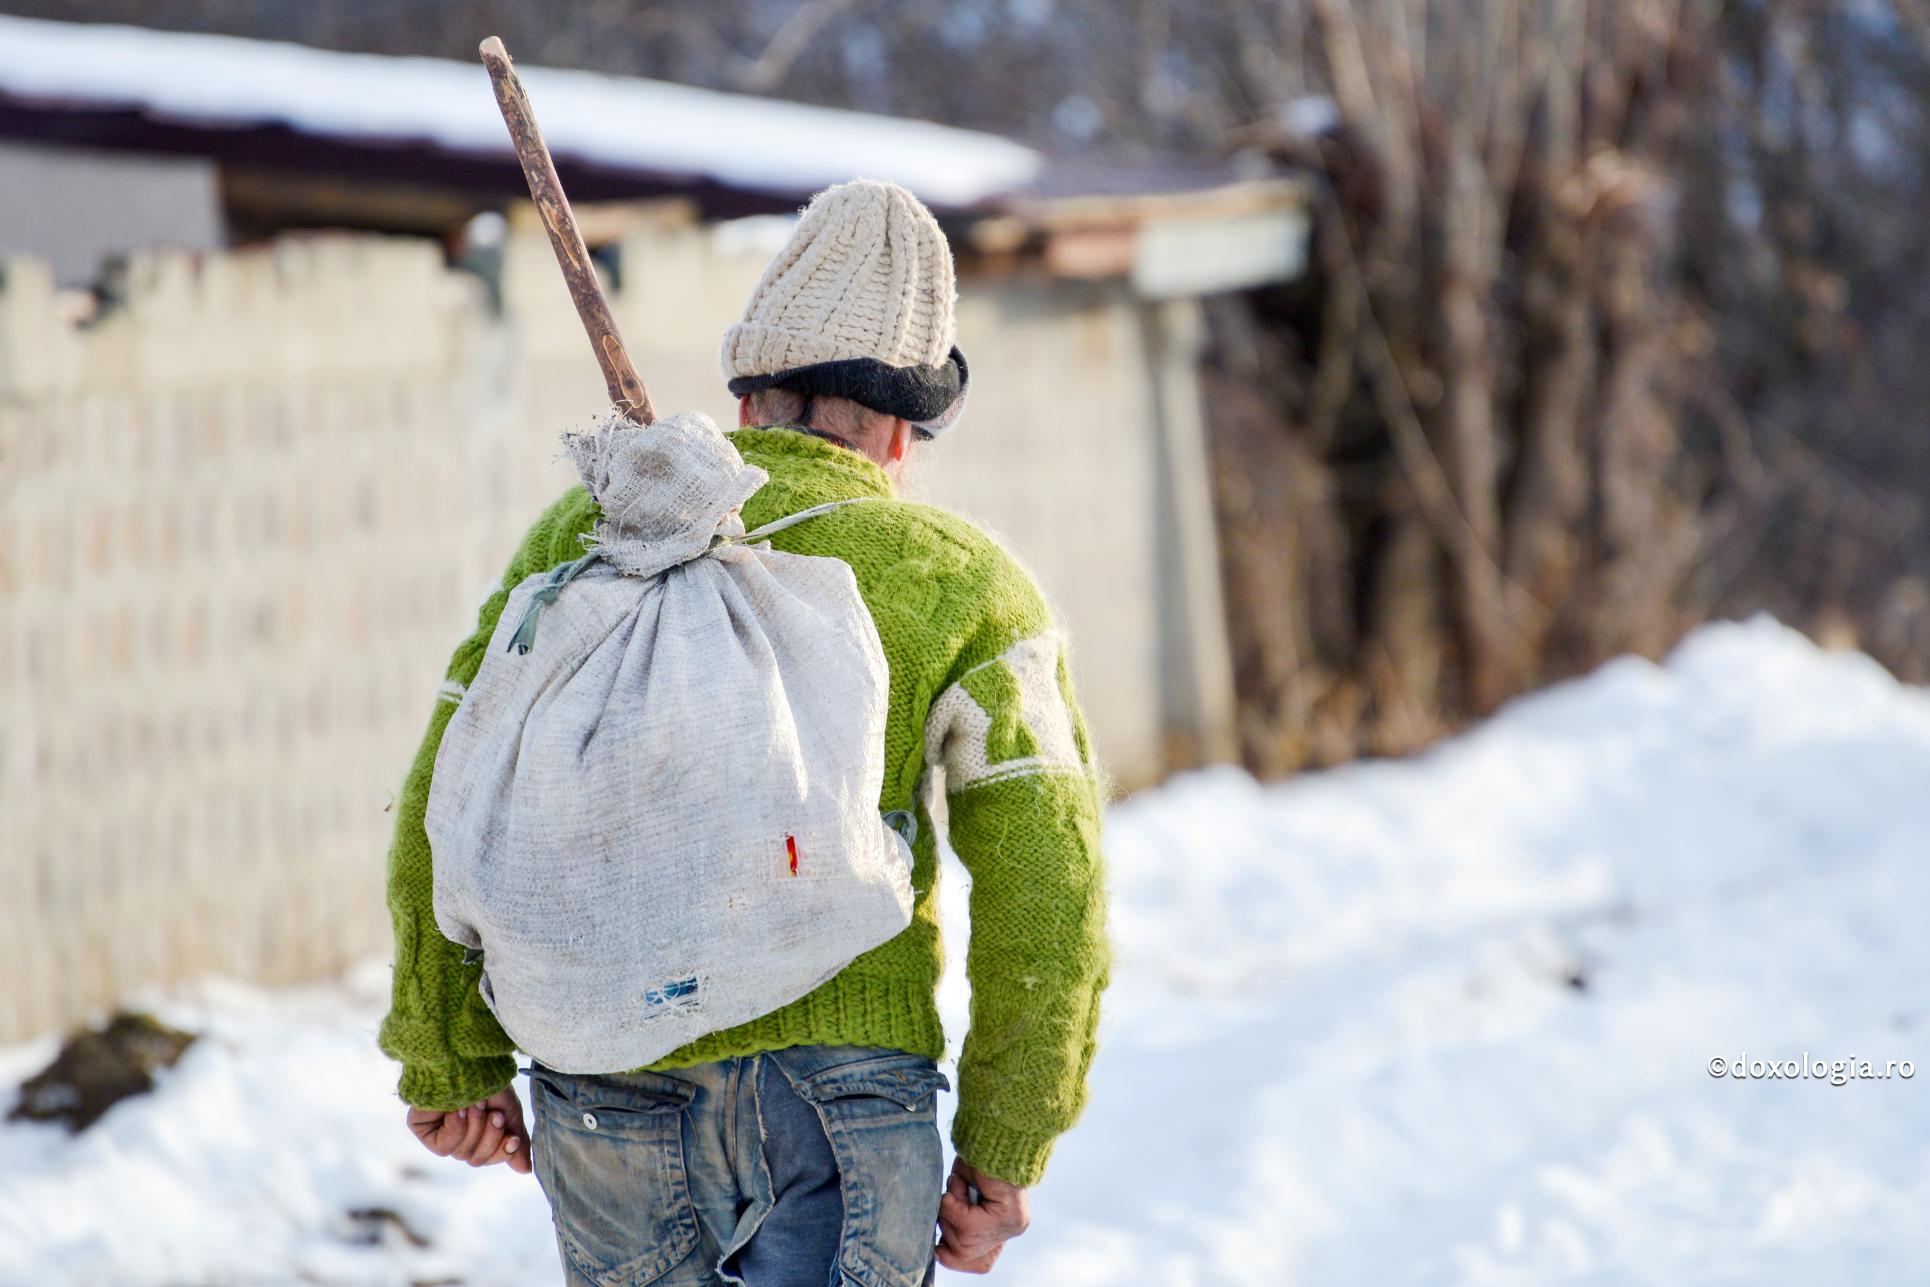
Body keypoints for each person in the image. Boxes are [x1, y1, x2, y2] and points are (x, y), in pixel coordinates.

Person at [379, 179, 1110, 1285]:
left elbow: (453, 790)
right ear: (904, 431)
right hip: (848, 1102)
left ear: (746, 398)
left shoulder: (592, 533)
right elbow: (1048, 888)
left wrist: (447, 1051)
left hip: (607, 1088)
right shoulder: (962, 584)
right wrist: (1008, 1143)